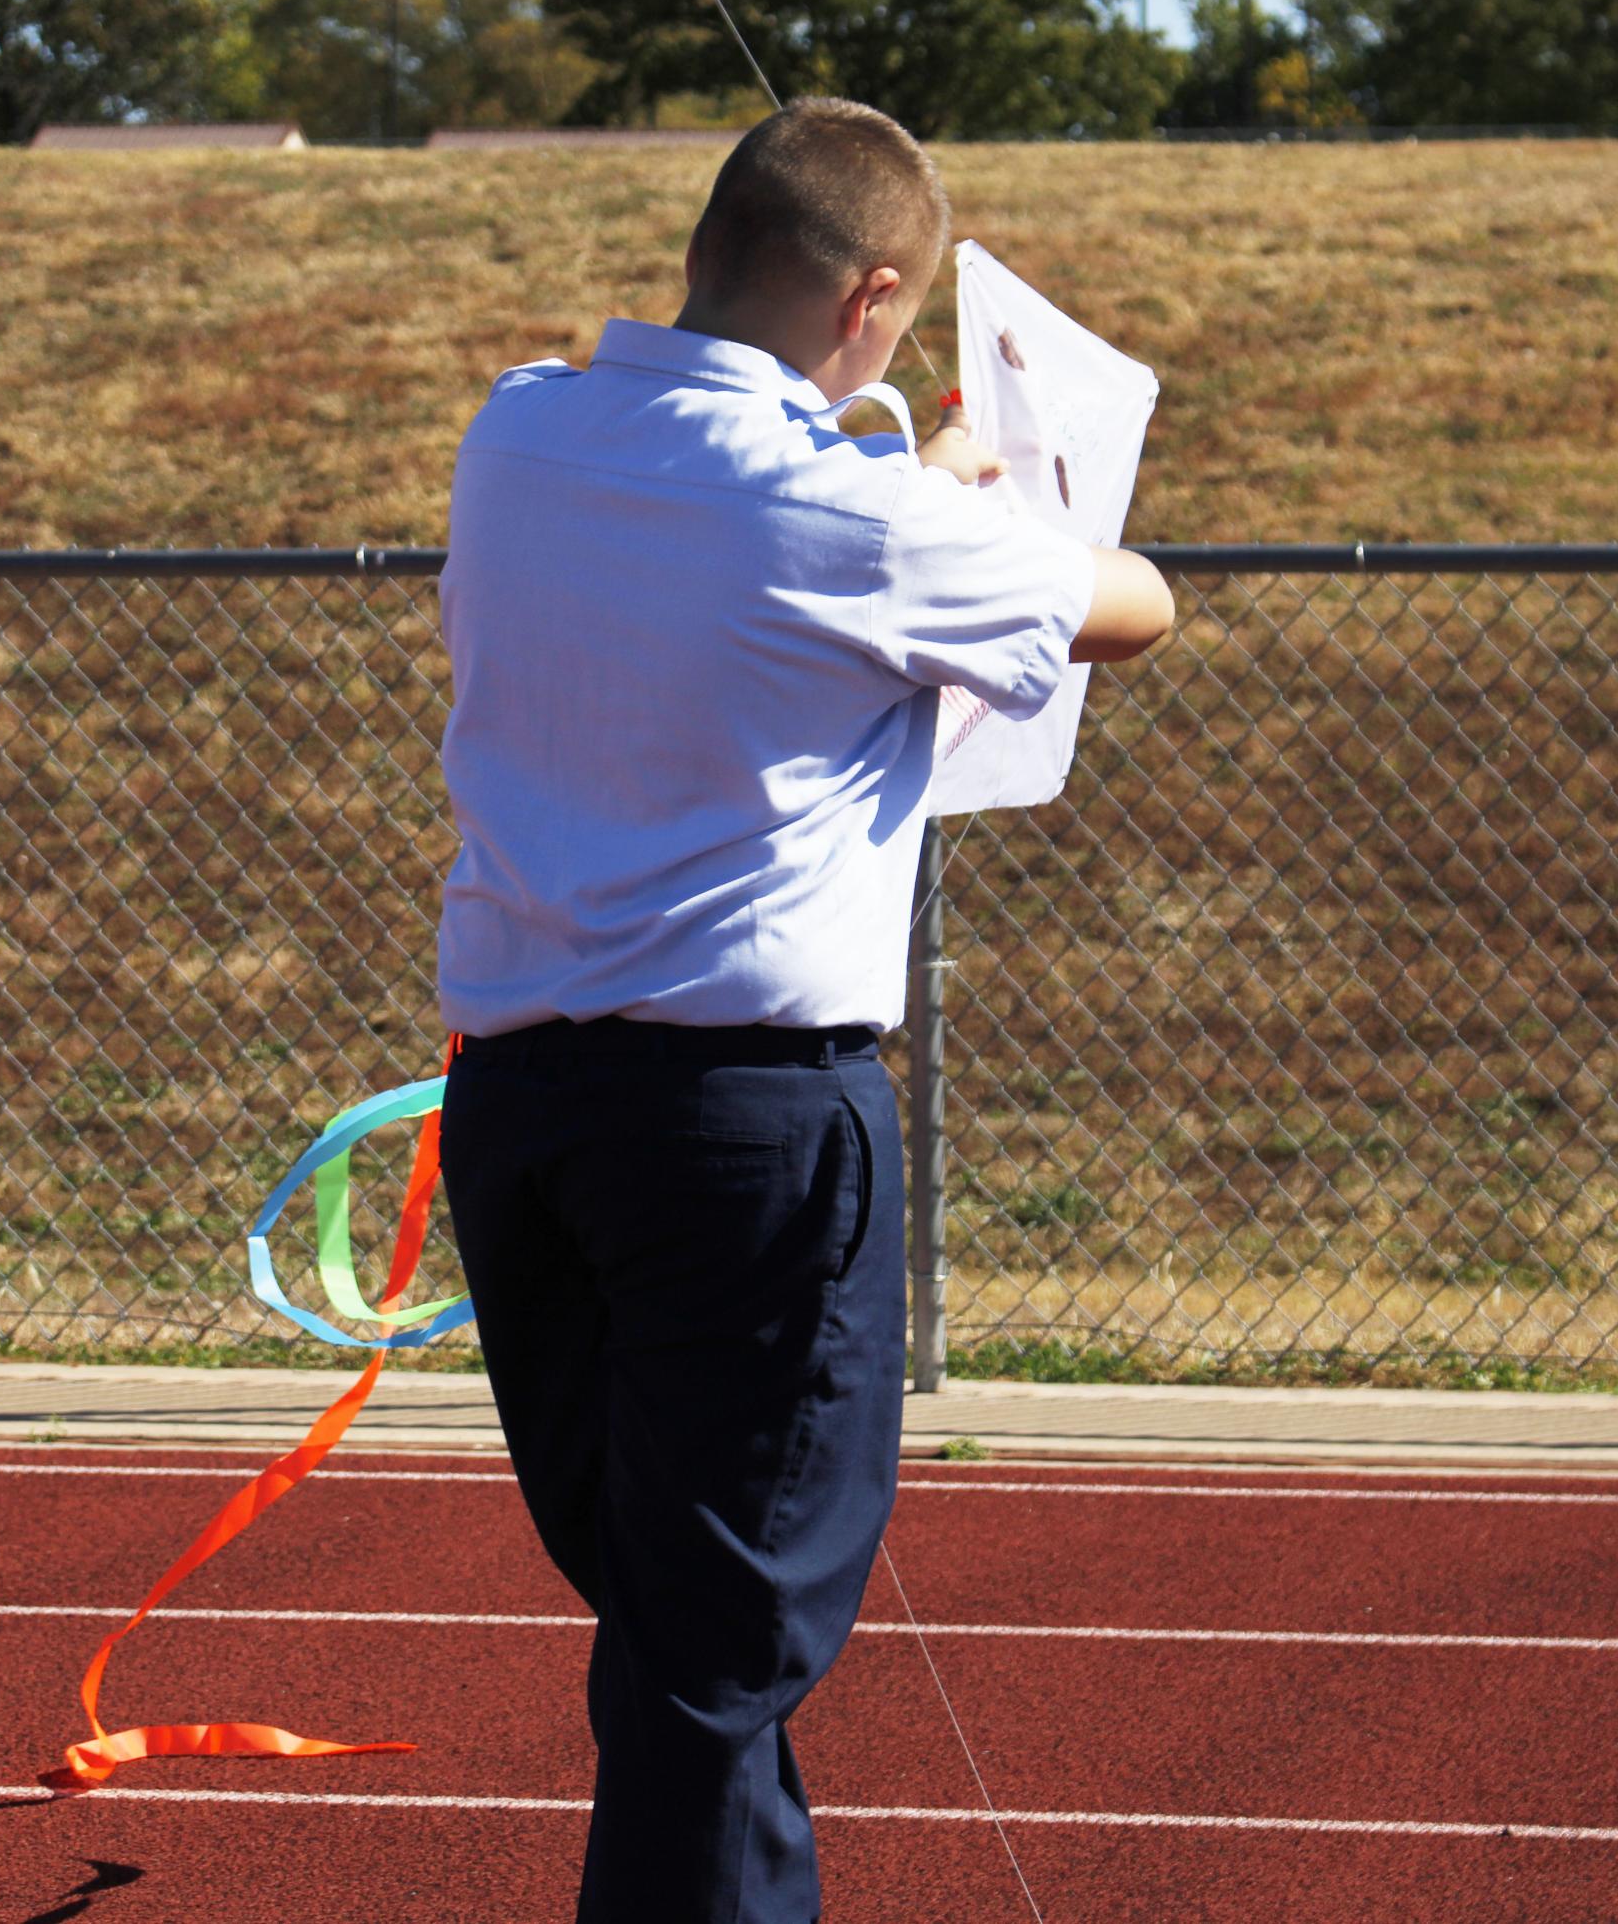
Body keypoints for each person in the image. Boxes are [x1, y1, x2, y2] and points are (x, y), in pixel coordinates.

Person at [435, 97, 1173, 1924]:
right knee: (710, 1652)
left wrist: (907, 485)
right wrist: (958, 495)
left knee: (674, 1621)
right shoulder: (848, 514)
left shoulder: (515, 435)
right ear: (868, 295)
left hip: (525, 1110)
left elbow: (737, 507)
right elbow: (1130, 606)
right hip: (745, 1134)